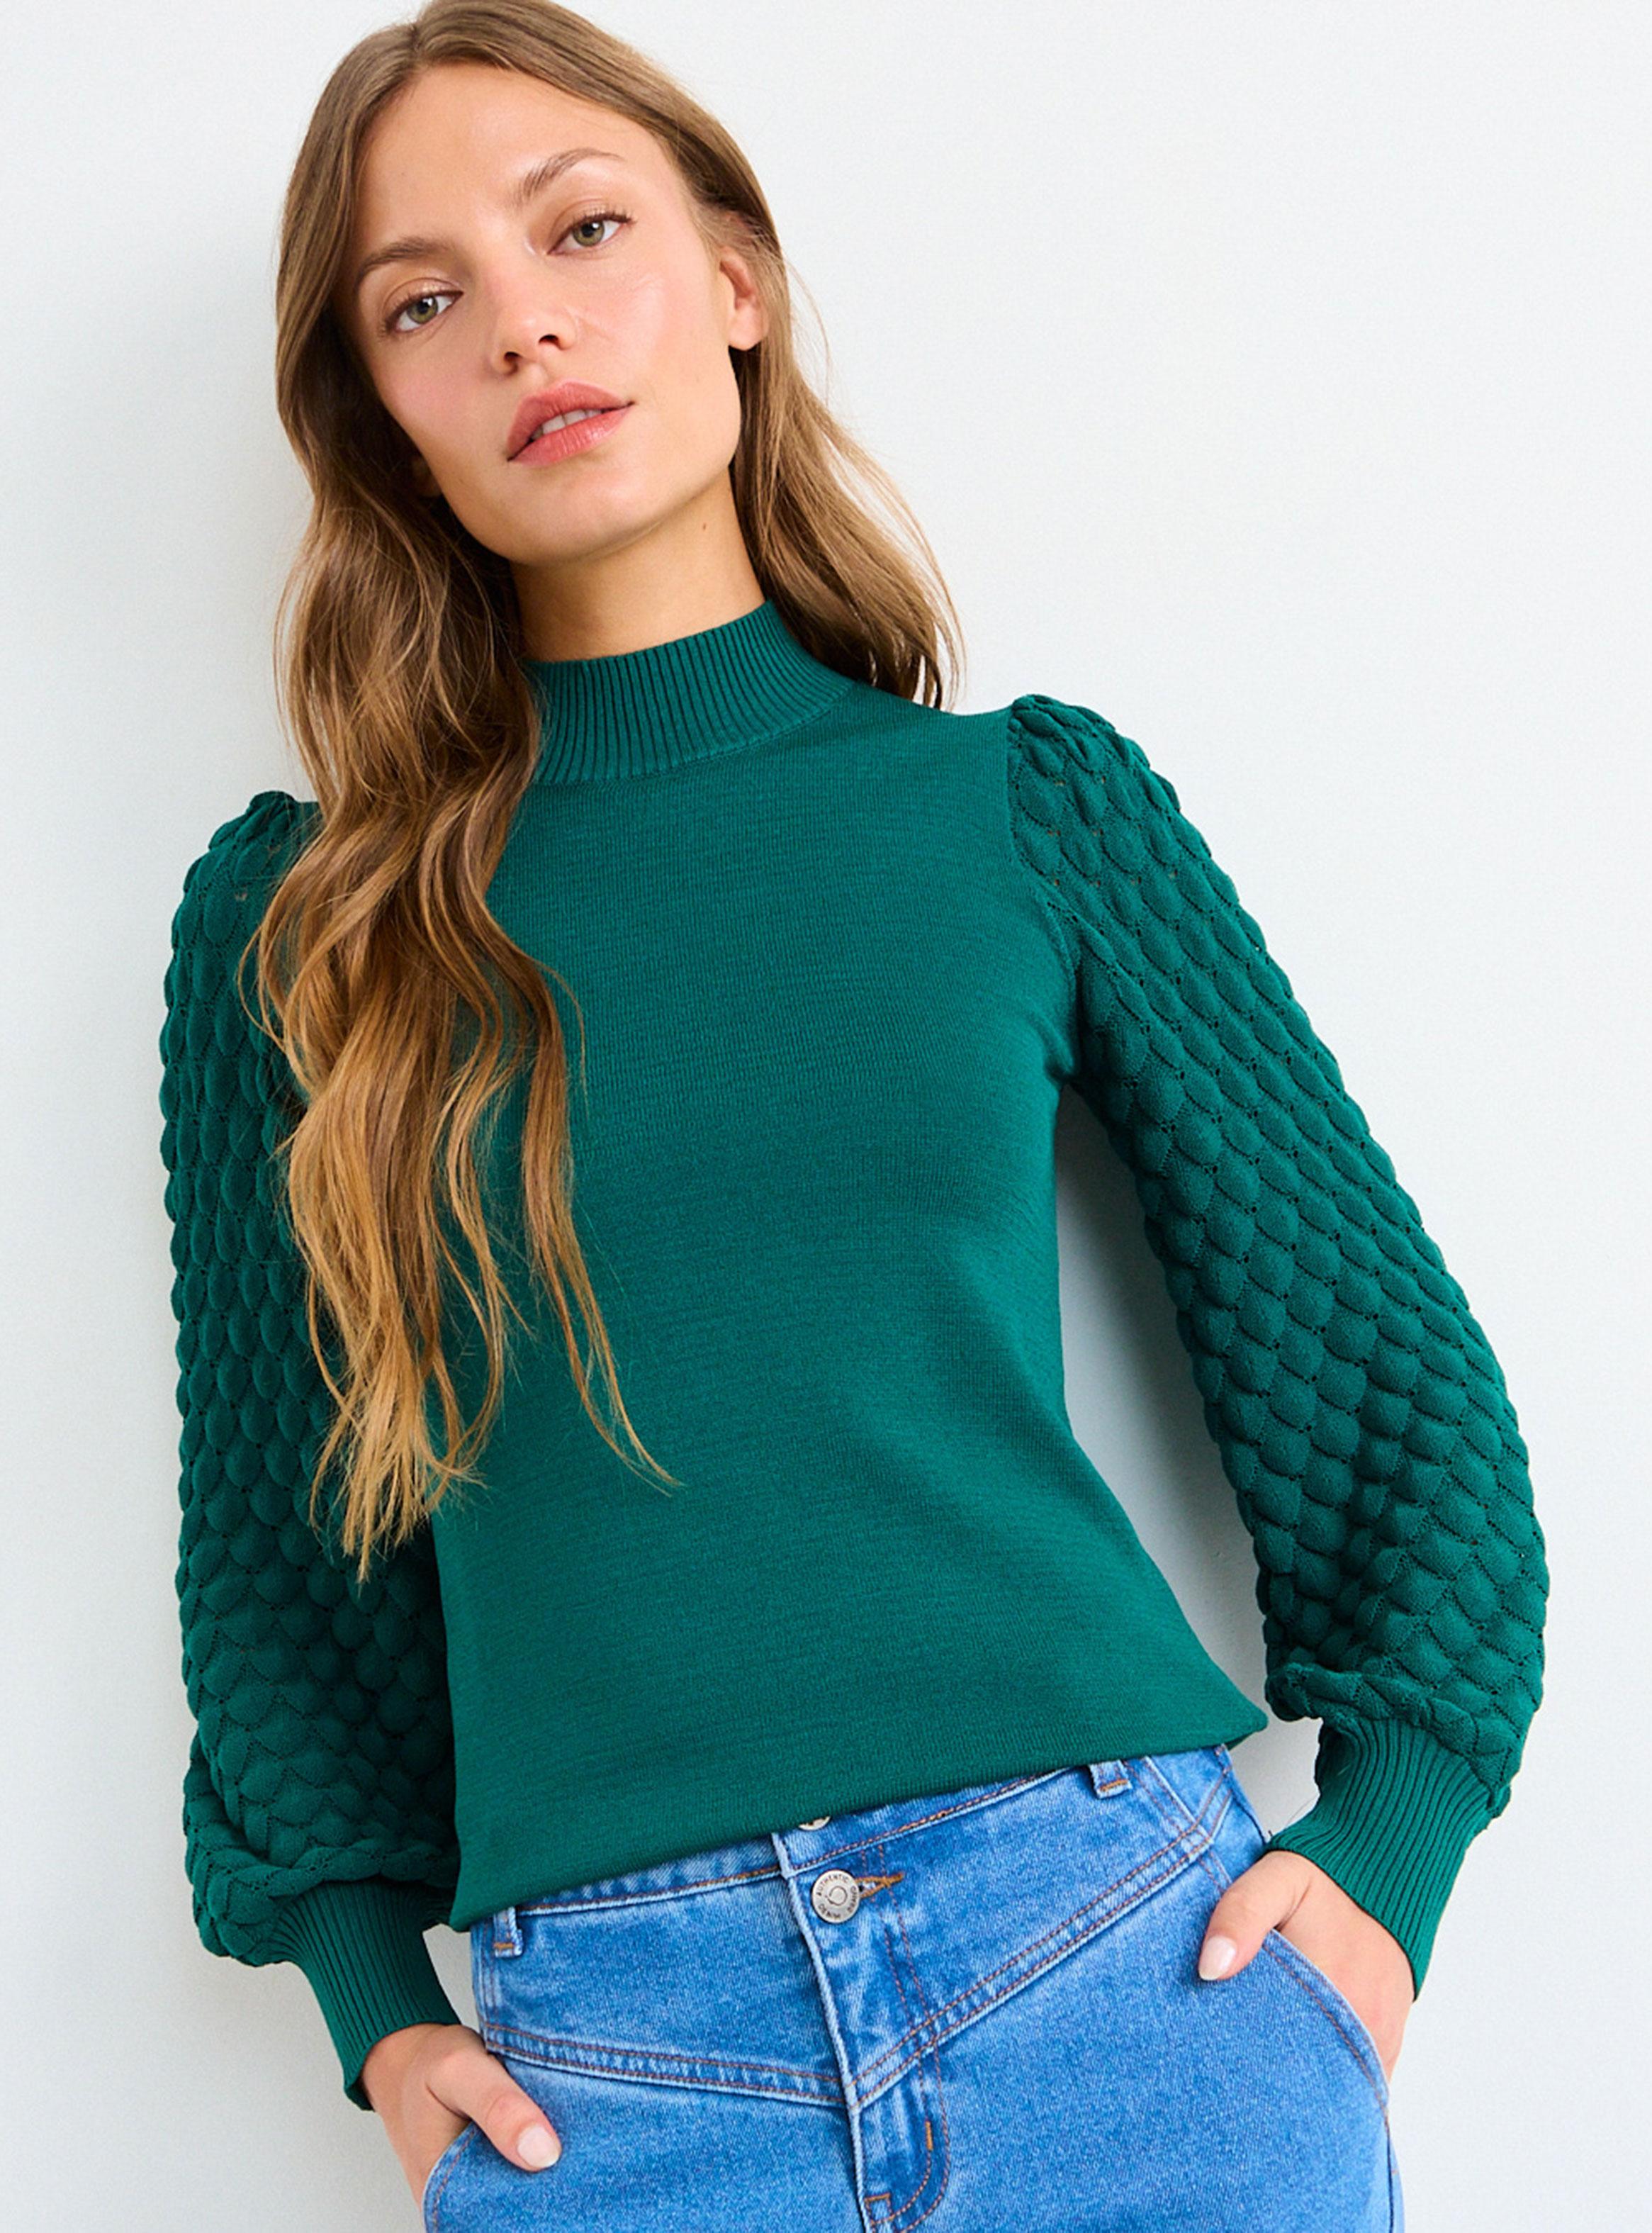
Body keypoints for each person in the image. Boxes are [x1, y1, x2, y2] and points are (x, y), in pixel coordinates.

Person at [155, 4, 1548, 2226]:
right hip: (612, 2075)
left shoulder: (1020, 810)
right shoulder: (298, 931)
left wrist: (1390, 1851)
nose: (520, 326)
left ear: (734, 279)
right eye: (422, 302)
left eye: (578, 231)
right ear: (386, 421)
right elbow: (278, 1535)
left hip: (1128, 1976)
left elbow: (1379, 1365)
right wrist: (370, 2003)